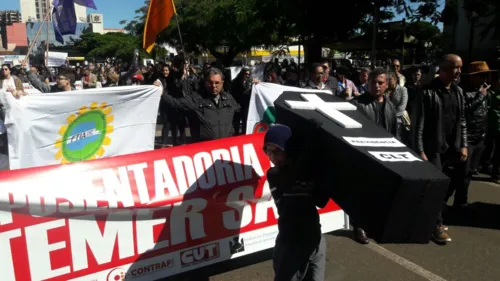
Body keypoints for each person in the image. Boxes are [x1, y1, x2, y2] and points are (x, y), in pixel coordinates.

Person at [412, 54, 468, 244]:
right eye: (455, 67)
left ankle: (429, 216)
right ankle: (436, 225)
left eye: (460, 68)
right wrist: (420, 149)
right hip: (433, 148)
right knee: (437, 187)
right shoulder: (427, 92)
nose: (459, 71)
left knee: (447, 187)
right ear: (443, 69)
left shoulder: (458, 91)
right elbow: (418, 124)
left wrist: (464, 144)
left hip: (452, 148)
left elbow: (462, 121)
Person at [264, 124, 328, 281]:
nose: (272, 157)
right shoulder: (274, 174)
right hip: (291, 243)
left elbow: (321, 201)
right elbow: (292, 198)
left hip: (315, 240)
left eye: (277, 151)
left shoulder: (307, 172)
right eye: (268, 151)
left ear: (289, 149)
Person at [349, 68, 398, 244]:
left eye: (380, 83)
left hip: (384, 156)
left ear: (387, 85)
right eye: (373, 82)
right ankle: (359, 226)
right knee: (362, 192)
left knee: (380, 192)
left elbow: (394, 132)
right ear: (367, 83)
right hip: (364, 156)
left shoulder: (389, 105)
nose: (376, 86)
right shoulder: (356, 104)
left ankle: (374, 224)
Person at [162, 68, 240, 143]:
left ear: (222, 83)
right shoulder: (196, 98)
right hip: (204, 150)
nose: (213, 86)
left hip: (225, 149)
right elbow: (175, 103)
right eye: (210, 82)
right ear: (205, 82)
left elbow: (242, 112)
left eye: (217, 83)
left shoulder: (229, 98)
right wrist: (162, 93)